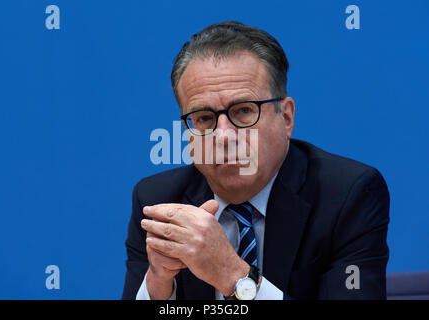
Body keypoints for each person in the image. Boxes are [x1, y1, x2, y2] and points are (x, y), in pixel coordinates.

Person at [122, 21, 390, 300]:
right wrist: (158, 285)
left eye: (244, 111)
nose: (223, 136)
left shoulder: (347, 195)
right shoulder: (159, 202)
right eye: (204, 118)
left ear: (286, 117)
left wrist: (233, 275)